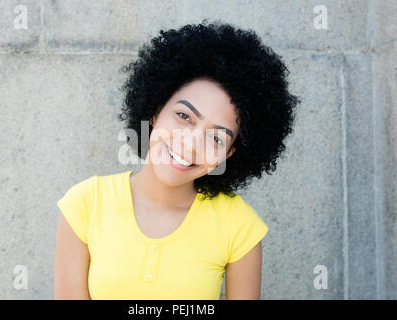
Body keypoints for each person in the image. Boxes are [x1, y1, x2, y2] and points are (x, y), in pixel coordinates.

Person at [54, 20, 300, 300]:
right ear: (156, 111)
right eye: (184, 117)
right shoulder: (85, 204)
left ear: (229, 153)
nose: (191, 144)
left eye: (217, 138)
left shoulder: (239, 226)